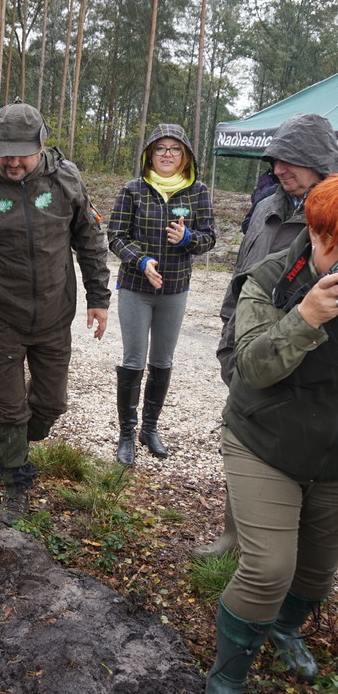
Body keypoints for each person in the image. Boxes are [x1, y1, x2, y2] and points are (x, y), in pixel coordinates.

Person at [0, 99, 110, 525]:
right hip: (2, 320)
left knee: (50, 406)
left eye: (22, 151)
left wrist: (99, 297)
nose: (13, 161)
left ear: (41, 145)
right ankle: (14, 476)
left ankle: (11, 445)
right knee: (6, 406)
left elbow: (90, 240)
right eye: (5, 151)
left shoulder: (66, 180)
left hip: (55, 317)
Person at [205, 174, 338, 692]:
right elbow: (252, 369)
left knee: (316, 576)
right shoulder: (270, 279)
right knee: (269, 569)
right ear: (320, 236)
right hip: (262, 438)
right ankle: (227, 676)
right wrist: (304, 317)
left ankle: (284, 630)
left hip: (331, 454)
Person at [193, 113, 338, 559]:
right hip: (251, 342)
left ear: (320, 160)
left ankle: (282, 551)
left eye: (290, 160)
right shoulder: (267, 206)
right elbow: (243, 269)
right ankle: (235, 537)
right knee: (247, 434)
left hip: (307, 360)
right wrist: (228, 329)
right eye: (275, 160)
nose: (279, 168)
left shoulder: (330, 213)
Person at [107, 124, 215, 466]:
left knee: (163, 361)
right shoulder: (133, 190)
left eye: (175, 149)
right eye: (160, 149)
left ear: (186, 158)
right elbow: (115, 236)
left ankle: (149, 429)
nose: (167, 155)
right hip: (136, 290)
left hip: (175, 290)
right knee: (133, 360)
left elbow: (209, 237)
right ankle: (126, 434)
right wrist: (142, 260)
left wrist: (188, 240)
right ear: (149, 154)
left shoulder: (197, 192)